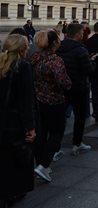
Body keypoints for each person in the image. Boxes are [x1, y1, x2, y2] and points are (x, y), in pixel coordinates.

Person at [31, 30, 71, 183]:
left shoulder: (35, 57)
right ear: (54, 42)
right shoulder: (55, 60)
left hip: (39, 100)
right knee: (56, 132)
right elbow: (63, 82)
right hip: (55, 101)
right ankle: (43, 165)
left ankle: (40, 163)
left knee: (42, 132)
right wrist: (69, 84)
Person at [0, 35, 36, 206]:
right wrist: (30, 127)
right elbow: (26, 101)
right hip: (14, 122)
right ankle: (11, 193)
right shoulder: (23, 67)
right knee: (15, 159)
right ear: (22, 49)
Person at [57, 23, 95, 156]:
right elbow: (88, 70)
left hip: (62, 87)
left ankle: (55, 147)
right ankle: (77, 144)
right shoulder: (81, 49)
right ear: (78, 34)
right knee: (79, 117)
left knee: (60, 117)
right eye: (81, 33)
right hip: (78, 87)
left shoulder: (58, 46)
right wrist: (92, 62)